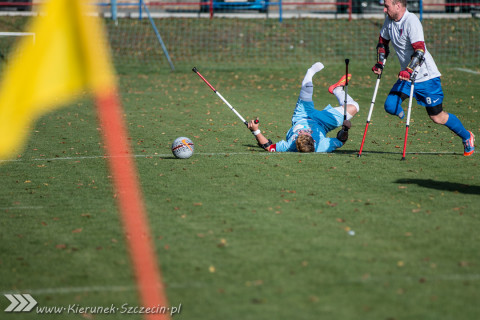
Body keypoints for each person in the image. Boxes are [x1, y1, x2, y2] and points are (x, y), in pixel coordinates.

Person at [373, 0, 475, 156]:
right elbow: (382, 42)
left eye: (387, 6)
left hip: (426, 77)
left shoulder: (411, 21)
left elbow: (419, 51)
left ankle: (467, 136)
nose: (384, 10)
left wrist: (409, 69)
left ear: (398, 6)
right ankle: (403, 116)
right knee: (390, 105)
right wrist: (380, 63)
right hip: (406, 76)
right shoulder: (389, 20)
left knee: (437, 117)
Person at [247, 62, 358, 153]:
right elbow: (341, 141)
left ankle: (310, 72)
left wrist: (255, 131)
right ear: (314, 141)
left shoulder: (289, 146)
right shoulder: (321, 146)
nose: (304, 132)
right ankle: (337, 90)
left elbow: (268, 147)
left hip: (301, 116)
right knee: (354, 107)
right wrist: (345, 130)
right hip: (322, 123)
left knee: (306, 91)